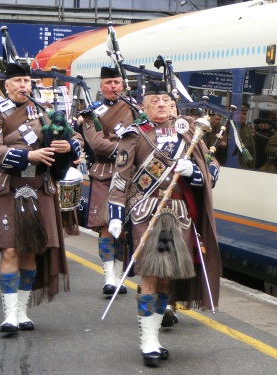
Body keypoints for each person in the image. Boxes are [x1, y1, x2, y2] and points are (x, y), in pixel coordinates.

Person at [107, 80, 221, 367]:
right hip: (147, 210)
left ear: (172, 104)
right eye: (154, 101)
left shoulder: (188, 130)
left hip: (180, 211)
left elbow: (212, 171)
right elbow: (120, 178)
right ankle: (147, 341)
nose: (160, 105)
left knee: (167, 276)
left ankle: (155, 335)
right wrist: (116, 215)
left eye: (165, 101)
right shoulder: (134, 135)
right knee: (149, 275)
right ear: (143, 107)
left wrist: (193, 170)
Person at [0, 63, 80, 333]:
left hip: (39, 187)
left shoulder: (45, 112)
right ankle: (10, 314)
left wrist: (67, 145)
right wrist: (28, 155)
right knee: (10, 249)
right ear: (6, 86)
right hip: (9, 188)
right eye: (18, 81)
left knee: (31, 250)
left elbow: (75, 138)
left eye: (26, 80)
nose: (24, 85)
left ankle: (22, 311)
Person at [81, 66, 136, 296]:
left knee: (123, 228)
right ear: (101, 86)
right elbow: (96, 143)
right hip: (104, 172)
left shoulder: (133, 108)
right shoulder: (90, 113)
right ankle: (109, 276)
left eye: (117, 82)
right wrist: (126, 151)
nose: (113, 86)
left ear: (122, 85)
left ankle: (119, 275)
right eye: (108, 83)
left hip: (128, 175)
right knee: (106, 225)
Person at [238, 103, 255, 168]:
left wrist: (251, 169)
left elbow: (252, 151)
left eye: (244, 114)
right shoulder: (227, 128)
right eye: (240, 114)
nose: (242, 116)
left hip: (243, 166)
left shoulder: (247, 130)